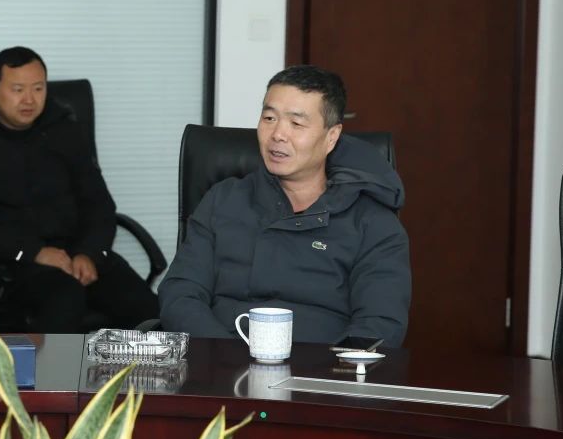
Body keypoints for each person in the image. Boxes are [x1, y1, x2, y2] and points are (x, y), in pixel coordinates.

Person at [159, 65, 411, 345]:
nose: (277, 134)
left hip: (321, 367)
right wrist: (223, 355)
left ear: (331, 137)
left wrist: (327, 369)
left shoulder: (372, 222)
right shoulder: (224, 199)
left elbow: (379, 323)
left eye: (296, 123)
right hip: (220, 360)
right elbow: (180, 294)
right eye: (269, 118)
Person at [0, 47, 158, 332]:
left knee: (150, 312)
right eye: (17, 89)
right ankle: (56, 366)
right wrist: (33, 252)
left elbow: (99, 203)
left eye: (38, 88)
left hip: (78, 253)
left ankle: (154, 364)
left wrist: (90, 253)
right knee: (65, 301)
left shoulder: (64, 129)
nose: (29, 99)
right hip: (12, 263)